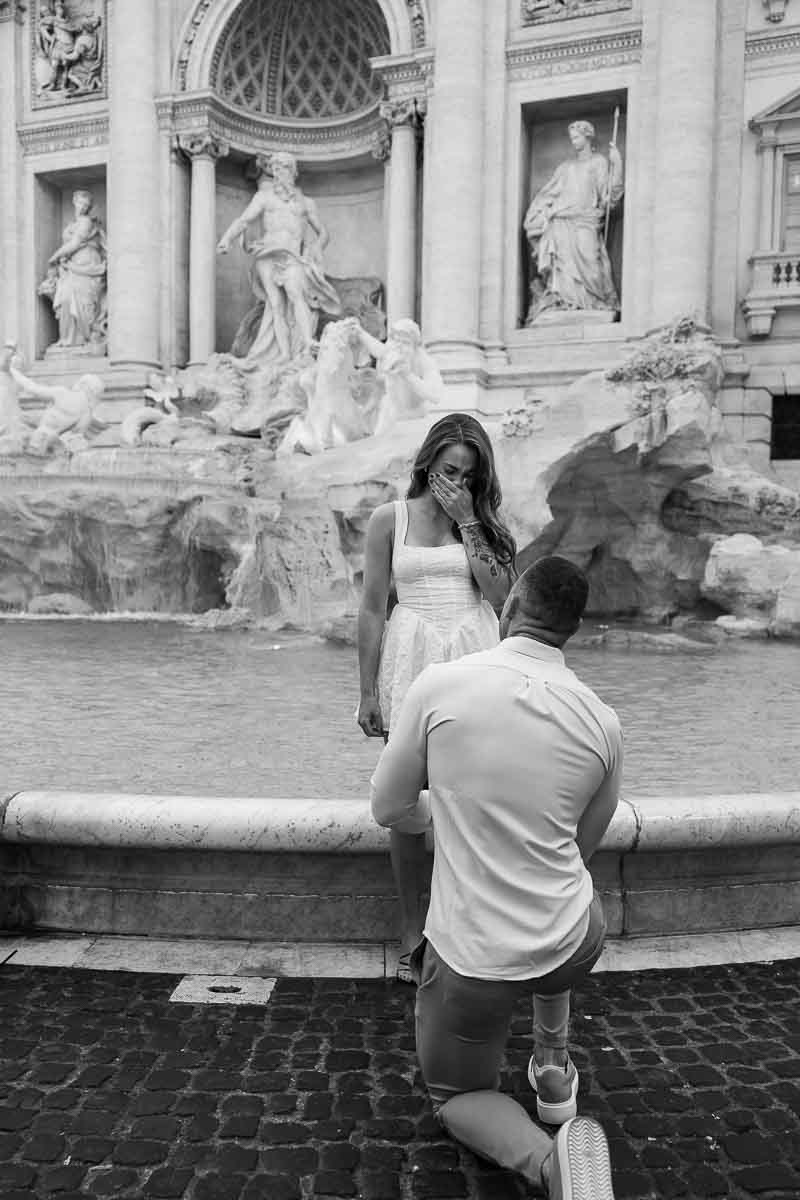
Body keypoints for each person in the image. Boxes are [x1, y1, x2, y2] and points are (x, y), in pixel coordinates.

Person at [371, 556, 623, 1197]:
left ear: (508, 608)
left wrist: (449, 806)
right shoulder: (603, 721)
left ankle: (550, 1165)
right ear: (574, 629)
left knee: (458, 1095)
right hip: (573, 943)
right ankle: (552, 1067)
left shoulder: (438, 685)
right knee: (560, 896)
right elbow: (578, 849)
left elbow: (390, 808)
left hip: (473, 961)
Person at [357, 413, 516, 982]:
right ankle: (411, 927)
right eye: (449, 470)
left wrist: (468, 520)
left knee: (470, 794)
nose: (457, 482)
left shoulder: (484, 522)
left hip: (474, 654)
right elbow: (373, 607)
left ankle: (464, 926)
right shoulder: (388, 520)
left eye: (469, 476)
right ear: (427, 463)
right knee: (406, 796)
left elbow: (503, 598)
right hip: (411, 658)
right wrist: (367, 690)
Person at [216, 151, 342, 368]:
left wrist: (315, 248)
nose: (277, 173)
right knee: (275, 304)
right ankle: (284, 354)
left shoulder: (306, 203)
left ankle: (307, 342)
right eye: (274, 169)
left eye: (282, 168)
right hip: (267, 254)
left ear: (292, 171)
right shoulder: (264, 197)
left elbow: (324, 233)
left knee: (296, 294)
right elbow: (244, 220)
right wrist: (226, 239)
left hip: (292, 255)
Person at [524, 119, 623, 324]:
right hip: (561, 221)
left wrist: (618, 165)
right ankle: (565, 303)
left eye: (577, 137)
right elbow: (548, 194)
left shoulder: (598, 162)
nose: (574, 142)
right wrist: (541, 214)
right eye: (571, 138)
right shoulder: (565, 167)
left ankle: (595, 302)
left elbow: (607, 199)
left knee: (591, 261)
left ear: (587, 136)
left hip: (586, 220)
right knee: (563, 268)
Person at [38, 189, 107, 351]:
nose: (83, 207)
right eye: (80, 203)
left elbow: (75, 243)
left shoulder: (86, 222)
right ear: (74, 203)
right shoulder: (72, 225)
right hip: (71, 268)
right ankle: (67, 339)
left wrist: (54, 257)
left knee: (83, 301)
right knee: (66, 299)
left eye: (86, 205)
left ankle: (83, 338)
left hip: (87, 266)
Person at [353, 318, 445, 434]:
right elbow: (378, 349)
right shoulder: (391, 351)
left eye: (405, 342)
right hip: (390, 413)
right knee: (380, 446)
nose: (398, 346)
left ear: (415, 346)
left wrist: (407, 375)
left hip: (414, 418)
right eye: (395, 340)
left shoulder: (424, 361)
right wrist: (360, 332)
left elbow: (434, 395)